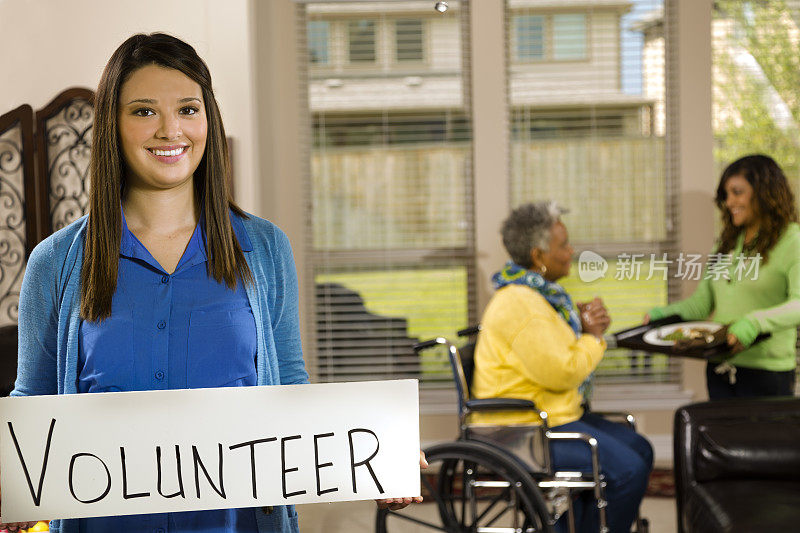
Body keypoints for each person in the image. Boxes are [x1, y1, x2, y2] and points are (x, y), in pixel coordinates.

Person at [3, 33, 420, 533]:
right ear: (111, 126)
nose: (169, 130)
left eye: (187, 108)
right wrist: (12, 481)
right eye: (143, 111)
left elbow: (288, 388)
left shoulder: (264, 249)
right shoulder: (56, 262)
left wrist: (372, 453)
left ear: (209, 120)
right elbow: (35, 403)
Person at [472, 201, 653, 533]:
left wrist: (579, 327)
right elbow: (564, 371)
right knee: (627, 470)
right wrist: (594, 337)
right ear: (539, 255)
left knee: (640, 448)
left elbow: (555, 349)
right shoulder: (522, 305)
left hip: (550, 417)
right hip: (520, 430)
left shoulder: (539, 298)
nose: (571, 251)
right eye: (563, 245)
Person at [647, 154, 800, 399]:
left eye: (737, 192)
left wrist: (754, 322)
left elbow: (798, 304)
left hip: (768, 375)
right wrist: (662, 316)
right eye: (726, 195)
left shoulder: (793, 240)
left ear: (764, 192)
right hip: (719, 369)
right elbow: (701, 305)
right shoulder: (728, 243)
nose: (729, 202)